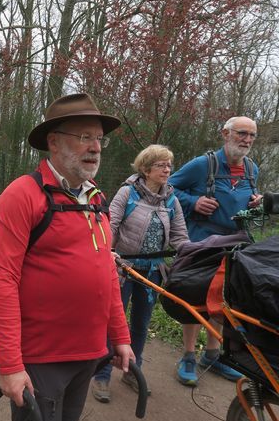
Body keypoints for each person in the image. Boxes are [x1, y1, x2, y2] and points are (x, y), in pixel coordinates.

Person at [0, 93, 134, 421]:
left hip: (87, 353)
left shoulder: (96, 198)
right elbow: (2, 280)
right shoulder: (22, 195)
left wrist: (119, 336)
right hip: (42, 358)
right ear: (53, 142)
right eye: (84, 136)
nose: (95, 147)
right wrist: (10, 365)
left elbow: (106, 274)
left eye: (99, 138)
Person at [91, 145, 189, 403]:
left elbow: (180, 236)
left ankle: (132, 372)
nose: (167, 169)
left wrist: (192, 256)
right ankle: (100, 374)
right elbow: (108, 228)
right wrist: (105, 257)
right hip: (122, 268)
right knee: (113, 322)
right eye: (161, 165)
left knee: (140, 325)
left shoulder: (171, 200)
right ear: (146, 169)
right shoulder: (127, 194)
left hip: (153, 272)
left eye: (169, 165)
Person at [169, 116, 262, 386]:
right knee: (194, 296)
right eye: (242, 134)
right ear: (225, 134)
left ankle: (212, 355)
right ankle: (187, 355)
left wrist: (254, 203)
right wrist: (193, 201)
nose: (247, 140)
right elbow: (168, 187)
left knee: (222, 301)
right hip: (200, 242)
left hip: (234, 244)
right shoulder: (202, 165)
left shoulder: (251, 169)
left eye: (252, 136)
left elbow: (242, 201)